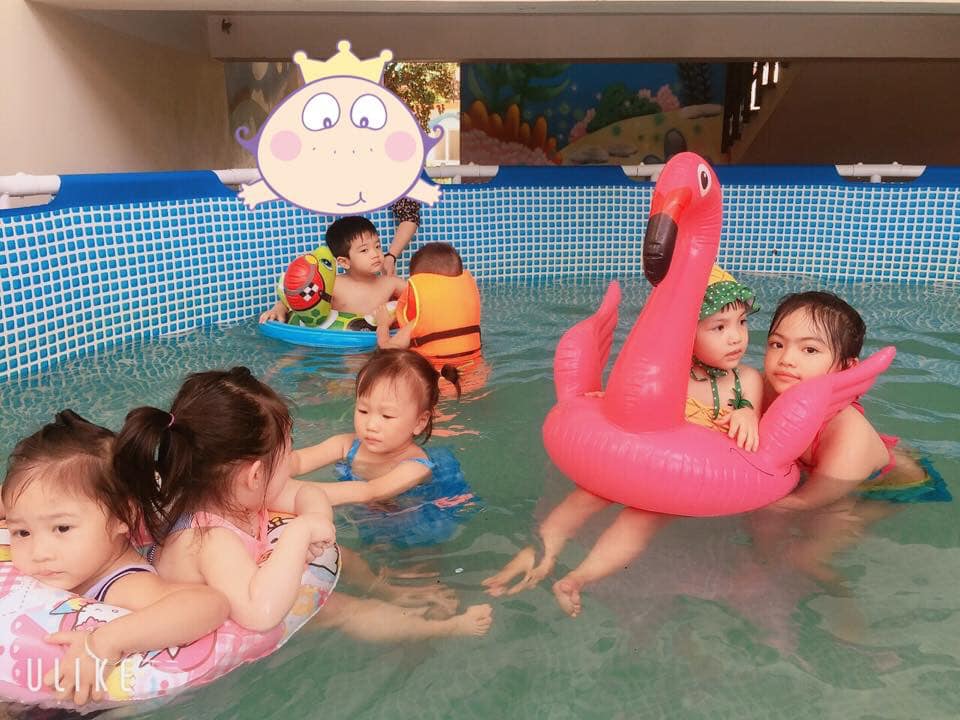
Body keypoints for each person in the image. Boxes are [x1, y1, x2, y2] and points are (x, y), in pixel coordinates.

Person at [116, 367, 491, 638]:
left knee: (340, 553)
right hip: (230, 617)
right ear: (255, 475)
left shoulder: (232, 492)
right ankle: (441, 628)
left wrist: (316, 520)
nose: (292, 463)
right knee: (342, 611)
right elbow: (261, 614)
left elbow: (306, 493)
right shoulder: (209, 541)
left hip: (247, 581)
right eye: (288, 454)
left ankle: (387, 588)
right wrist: (298, 534)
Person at [483, 268, 765, 617]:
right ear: (684, 334)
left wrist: (746, 415)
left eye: (742, 322)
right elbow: (636, 406)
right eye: (719, 327)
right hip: (646, 463)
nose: (736, 337)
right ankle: (540, 551)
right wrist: (609, 402)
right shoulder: (670, 376)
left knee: (643, 515)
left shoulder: (746, 380)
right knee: (590, 493)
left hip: (686, 480)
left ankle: (577, 578)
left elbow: (750, 424)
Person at [2, 411, 230, 705]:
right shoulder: (68, 542)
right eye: (22, 532)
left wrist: (103, 644)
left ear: (123, 516)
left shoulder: (124, 585)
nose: (39, 552)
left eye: (62, 528)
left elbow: (210, 604)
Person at [752, 291, 950, 584]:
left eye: (810, 350)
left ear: (847, 367)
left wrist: (743, 500)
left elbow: (806, 500)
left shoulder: (847, 434)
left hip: (889, 484)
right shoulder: (769, 387)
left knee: (807, 555)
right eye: (777, 344)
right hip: (835, 470)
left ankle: (842, 602)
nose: (786, 359)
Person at [292, 349, 480, 547]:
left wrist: (296, 493)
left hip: (413, 525)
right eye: (363, 410)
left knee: (418, 561)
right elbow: (299, 460)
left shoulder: (416, 467)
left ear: (419, 422)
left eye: (387, 416)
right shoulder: (346, 444)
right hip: (367, 517)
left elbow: (370, 491)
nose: (371, 425)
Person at [260, 209, 413, 326]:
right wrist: (279, 309)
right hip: (336, 343)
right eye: (364, 250)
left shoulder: (390, 283)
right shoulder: (332, 285)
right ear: (344, 262)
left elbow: (419, 295)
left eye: (377, 246)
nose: (376, 254)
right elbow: (297, 300)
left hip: (372, 342)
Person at [374, 242, 482, 368]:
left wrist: (383, 325)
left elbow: (387, 349)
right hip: (477, 372)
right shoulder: (468, 313)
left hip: (434, 376)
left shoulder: (419, 322)